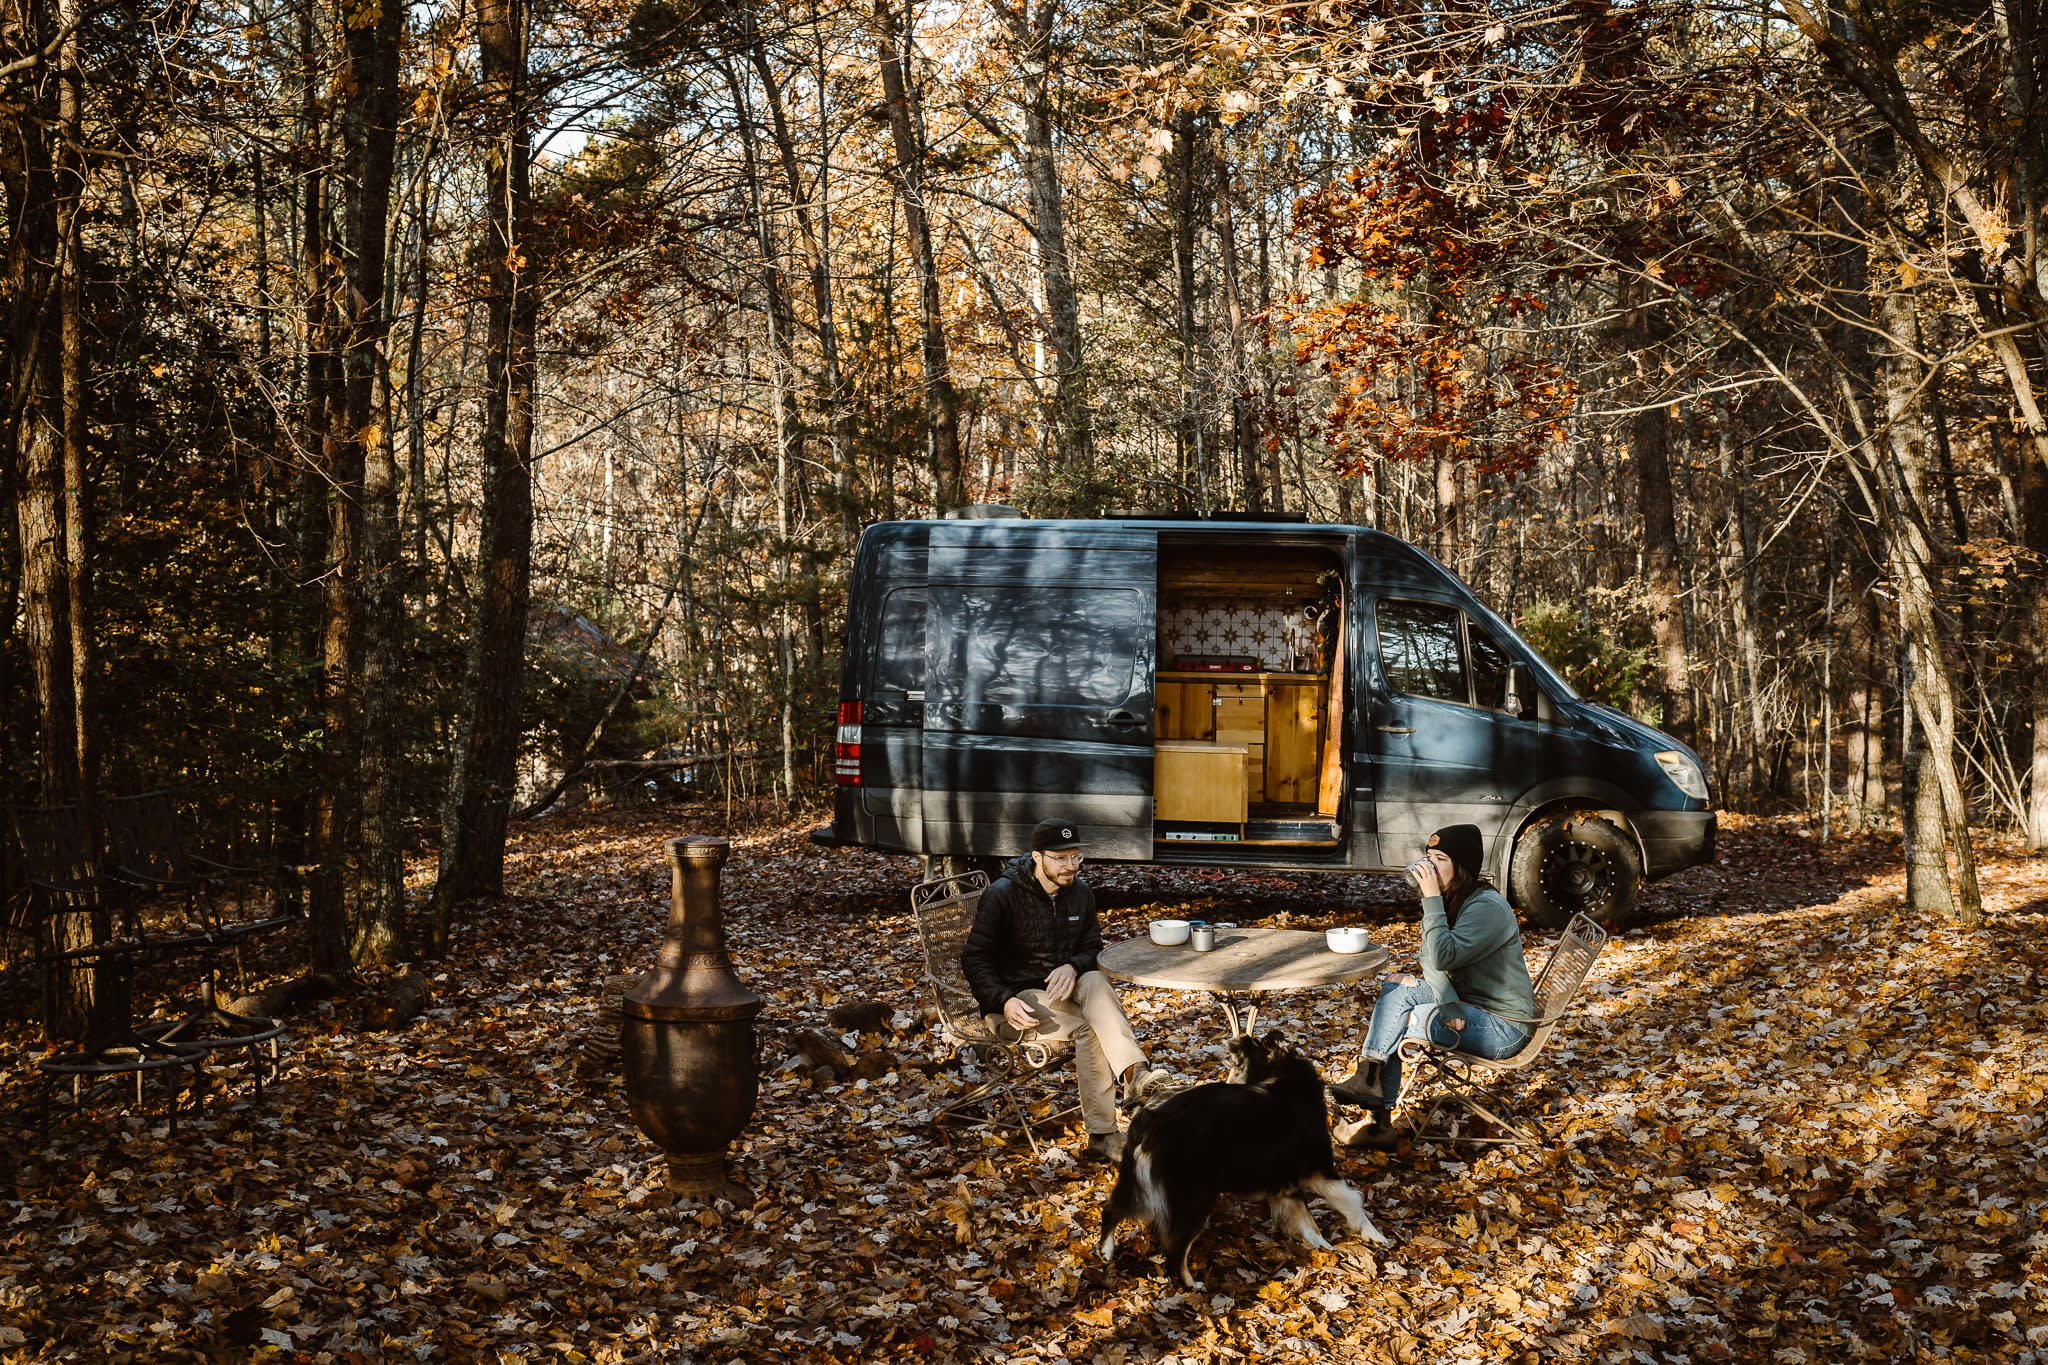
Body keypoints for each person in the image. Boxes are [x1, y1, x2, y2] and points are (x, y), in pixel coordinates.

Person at [960, 817, 1167, 1163]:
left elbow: (1093, 947)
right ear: (1037, 858)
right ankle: (1102, 1134)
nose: (1071, 866)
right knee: (1092, 1029)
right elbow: (974, 958)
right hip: (1017, 1002)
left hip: (1065, 992)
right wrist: (1003, 999)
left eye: (1076, 857)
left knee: (1096, 979)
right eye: (1061, 858)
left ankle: (1136, 1077)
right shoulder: (1002, 895)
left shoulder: (1081, 892)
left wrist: (1073, 966)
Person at [1327, 823, 1536, 1150]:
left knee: (1399, 1020)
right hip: (1472, 1002)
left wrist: (1431, 899)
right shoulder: (1456, 899)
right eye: (1428, 857)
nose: (1428, 867)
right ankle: (1370, 1083)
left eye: (1440, 859)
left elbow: (1440, 955)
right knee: (1397, 986)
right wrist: (1449, 1002)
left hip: (1503, 1026)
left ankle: (1373, 1110)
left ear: (1461, 867)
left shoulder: (1485, 908)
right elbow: (1430, 958)